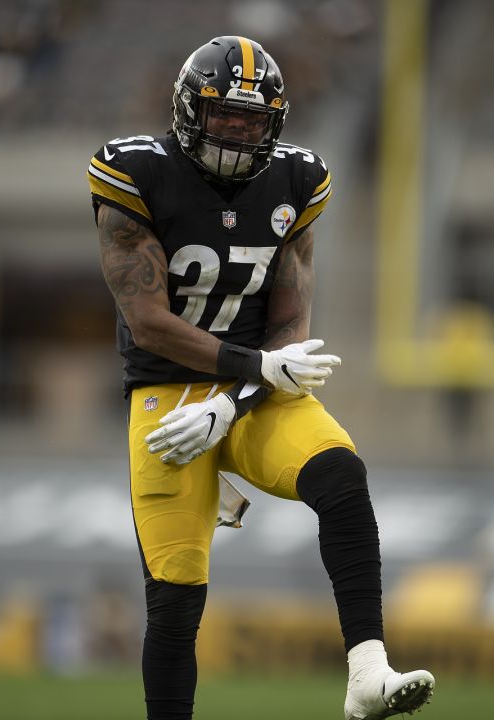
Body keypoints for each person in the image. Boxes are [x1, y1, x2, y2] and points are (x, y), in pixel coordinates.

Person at [87, 36, 435, 720]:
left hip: (256, 389)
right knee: (177, 594)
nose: (239, 131)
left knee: (341, 475)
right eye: (225, 116)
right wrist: (244, 376)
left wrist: (241, 397)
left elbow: (288, 326)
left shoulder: (296, 180)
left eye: (253, 121)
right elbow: (149, 319)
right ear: (190, 112)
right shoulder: (134, 173)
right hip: (168, 396)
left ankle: (367, 671)